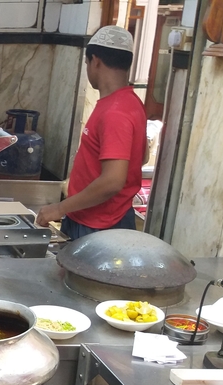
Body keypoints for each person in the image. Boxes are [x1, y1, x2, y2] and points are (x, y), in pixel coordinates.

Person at [35, 25, 146, 240]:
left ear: (95, 61)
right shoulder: (131, 102)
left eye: (86, 63)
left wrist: (59, 208)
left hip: (98, 226)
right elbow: (140, 157)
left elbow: (113, 181)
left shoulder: (115, 112)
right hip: (103, 217)